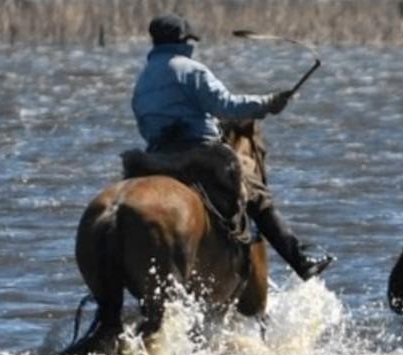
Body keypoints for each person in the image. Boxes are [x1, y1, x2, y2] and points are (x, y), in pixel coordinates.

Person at [131, 13, 333, 280]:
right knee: (256, 194)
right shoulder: (191, 70)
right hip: (199, 152)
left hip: (157, 156)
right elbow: (226, 106)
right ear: (182, 40)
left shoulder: (143, 79)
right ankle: (301, 260)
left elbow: (144, 123)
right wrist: (269, 102)